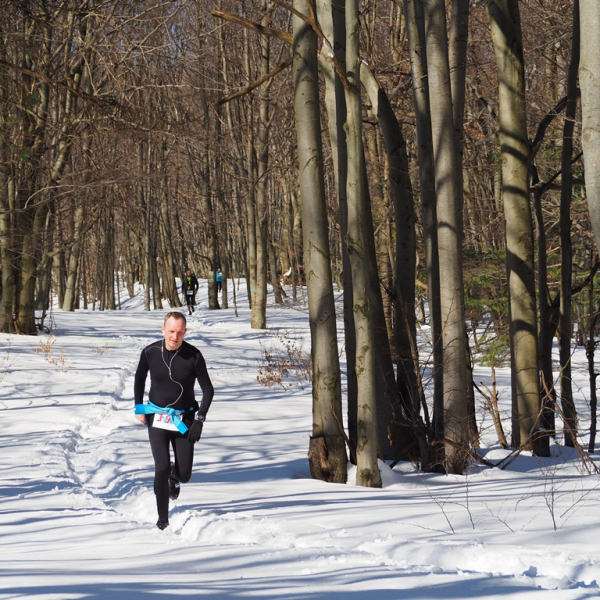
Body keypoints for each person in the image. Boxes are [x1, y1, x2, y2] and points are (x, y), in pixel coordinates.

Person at [134, 311, 214, 530]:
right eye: (171, 331)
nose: (174, 337)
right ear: (163, 329)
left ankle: (174, 475)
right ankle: (163, 518)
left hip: (184, 419)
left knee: (185, 474)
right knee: (160, 467)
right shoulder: (150, 352)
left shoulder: (193, 355)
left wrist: (199, 419)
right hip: (157, 417)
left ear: (185, 332)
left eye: (179, 332)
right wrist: (139, 408)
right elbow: (139, 378)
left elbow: (208, 390)